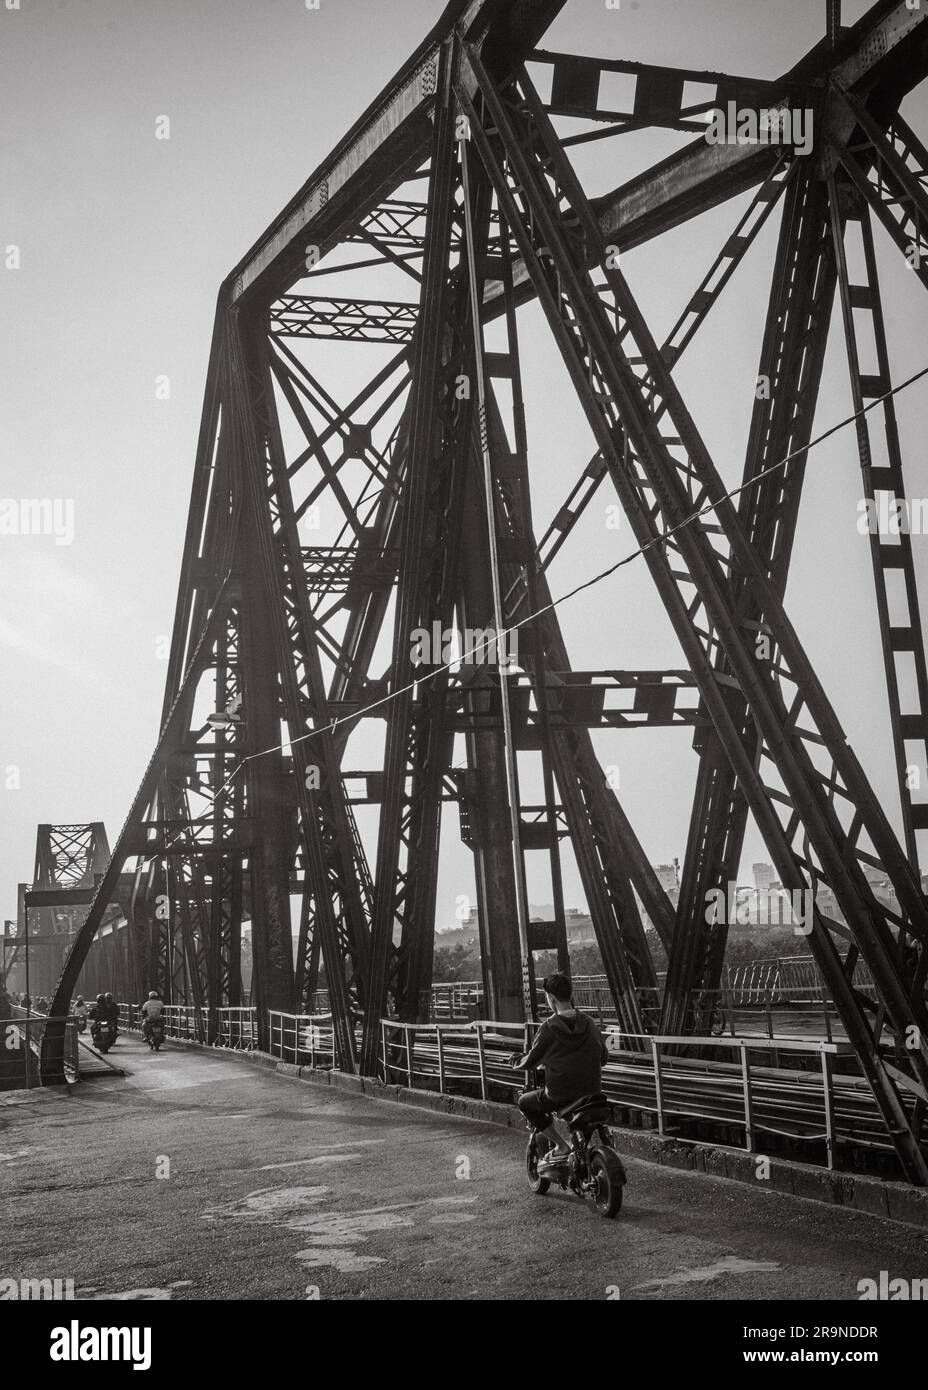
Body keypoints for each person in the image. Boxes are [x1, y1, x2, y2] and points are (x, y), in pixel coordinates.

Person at [510, 972, 610, 1174]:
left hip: (559, 1095)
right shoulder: (589, 1023)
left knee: (525, 1102)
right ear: (570, 995)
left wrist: (515, 1062)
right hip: (592, 1093)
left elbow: (531, 1060)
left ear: (551, 999)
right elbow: (603, 1058)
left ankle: (561, 1146)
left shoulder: (548, 1028)